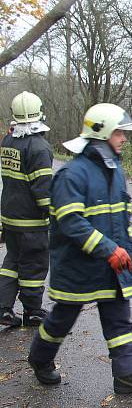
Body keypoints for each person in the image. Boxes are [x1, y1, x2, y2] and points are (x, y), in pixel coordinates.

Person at [28, 103, 132, 396]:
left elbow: (120, 213)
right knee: (62, 318)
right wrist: (109, 249)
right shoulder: (73, 175)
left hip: (110, 268)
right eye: (118, 133)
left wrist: (128, 244)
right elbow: (71, 222)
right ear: (101, 135)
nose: (123, 138)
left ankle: (127, 376)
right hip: (79, 267)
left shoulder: (114, 169)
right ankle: (39, 359)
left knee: (119, 319)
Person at [0, 91, 53, 328]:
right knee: (33, 264)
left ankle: (3, 309)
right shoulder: (39, 147)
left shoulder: (8, 141)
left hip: (10, 217)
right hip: (31, 222)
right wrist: (54, 214)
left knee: (12, 261)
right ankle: (32, 311)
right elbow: (42, 189)